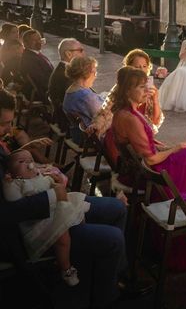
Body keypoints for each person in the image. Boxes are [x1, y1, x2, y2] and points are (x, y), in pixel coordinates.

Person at [0, 89, 127, 307]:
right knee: (114, 238)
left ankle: (108, 274)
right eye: (4, 124)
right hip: (34, 228)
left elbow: (11, 168)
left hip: (47, 202)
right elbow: (6, 212)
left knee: (117, 207)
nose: (9, 130)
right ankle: (105, 296)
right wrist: (53, 194)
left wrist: (29, 155)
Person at [109, 66, 186, 270]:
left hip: (146, 168)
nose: (146, 90)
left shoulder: (127, 112)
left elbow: (149, 142)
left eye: (146, 86)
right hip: (155, 171)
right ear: (127, 90)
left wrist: (170, 147)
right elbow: (152, 159)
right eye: (141, 87)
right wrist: (175, 150)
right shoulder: (129, 118)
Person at [2, 149, 90, 286]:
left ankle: (75, 248)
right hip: (39, 224)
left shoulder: (37, 177)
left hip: (55, 210)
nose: (29, 163)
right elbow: (13, 204)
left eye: (30, 160)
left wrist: (56, 181)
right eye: (21, 162)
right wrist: (7, 183)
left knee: (80, 211)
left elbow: (50, 184)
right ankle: (66, 269)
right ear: (10, 173)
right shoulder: (16, 184)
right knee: (63, 238)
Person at [62, 56, 103, 144]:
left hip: (76, 133)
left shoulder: (71, 90)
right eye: (94, 73)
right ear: (86, 73)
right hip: (89, 138)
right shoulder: (85, 97)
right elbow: (102, 115)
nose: (95, 77)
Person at [49, 38, 85, 114]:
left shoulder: (61, 69)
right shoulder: (67, 75)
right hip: (69, 121)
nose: (83, 54)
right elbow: (80, 101)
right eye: (80, 51)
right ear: (68, 54)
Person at [20, 29, 53, 101]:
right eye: (34, 40)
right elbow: (40, 80)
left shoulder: (36, 54)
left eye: (39, 39)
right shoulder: (29, 59)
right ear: (25, 43)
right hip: (44, 93)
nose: (39, 42)